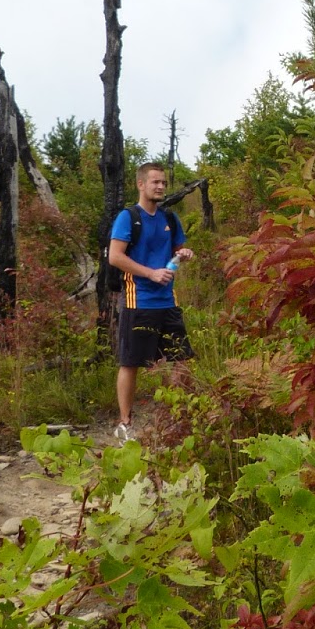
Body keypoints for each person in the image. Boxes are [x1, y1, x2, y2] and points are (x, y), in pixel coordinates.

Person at [107, 162, 195, 441]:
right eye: (154, 182)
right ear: (141, 184)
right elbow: (115, 257)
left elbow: (177, 249)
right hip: (139, 301)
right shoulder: (128, 217)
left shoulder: (170, 218)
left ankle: (176, 418)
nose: (160, 187)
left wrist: (184, 254)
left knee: (181, 361)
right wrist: (150, 273)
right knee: (130, 362)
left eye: (163, 183)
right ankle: (125, 424)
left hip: (167, 301)